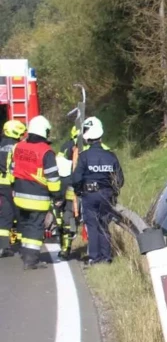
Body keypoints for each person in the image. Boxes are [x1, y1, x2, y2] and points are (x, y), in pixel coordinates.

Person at [72, 117, 123, 266]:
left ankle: (94, 258)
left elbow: (76, 179)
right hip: (106, 195)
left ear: (87, 137)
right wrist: (112, 192)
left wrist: (79, 191)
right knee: (104, 225)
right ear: (100, 135)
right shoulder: (111, 156)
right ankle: (107, 257)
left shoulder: (84, 157)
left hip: (89, 195)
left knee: (92, 226)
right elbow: (119, 180)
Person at [12, 116, 60, 270]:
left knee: (25, 225)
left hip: (19, 194)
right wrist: (57, 195)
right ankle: (31, 261)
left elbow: (13, 168)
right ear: (44, 131)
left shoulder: (18, 146)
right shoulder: (46, 151)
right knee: (35, 227)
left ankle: (26, 254)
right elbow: (52, 178)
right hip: (37, 196)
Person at [0, 119, 26, 258]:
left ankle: (3, 247)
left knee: (5, 215)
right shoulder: (18, 147)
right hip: (14, 184)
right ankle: (23, 246)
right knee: (21, 214)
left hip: (1, 185)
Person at [55, 126, 80, 259]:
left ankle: (63, 246)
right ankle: (66, 248)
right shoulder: (83, 146)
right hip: (74, 185)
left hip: (61, 184)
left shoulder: (65, 145)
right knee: (69, 215)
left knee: (62, 214)